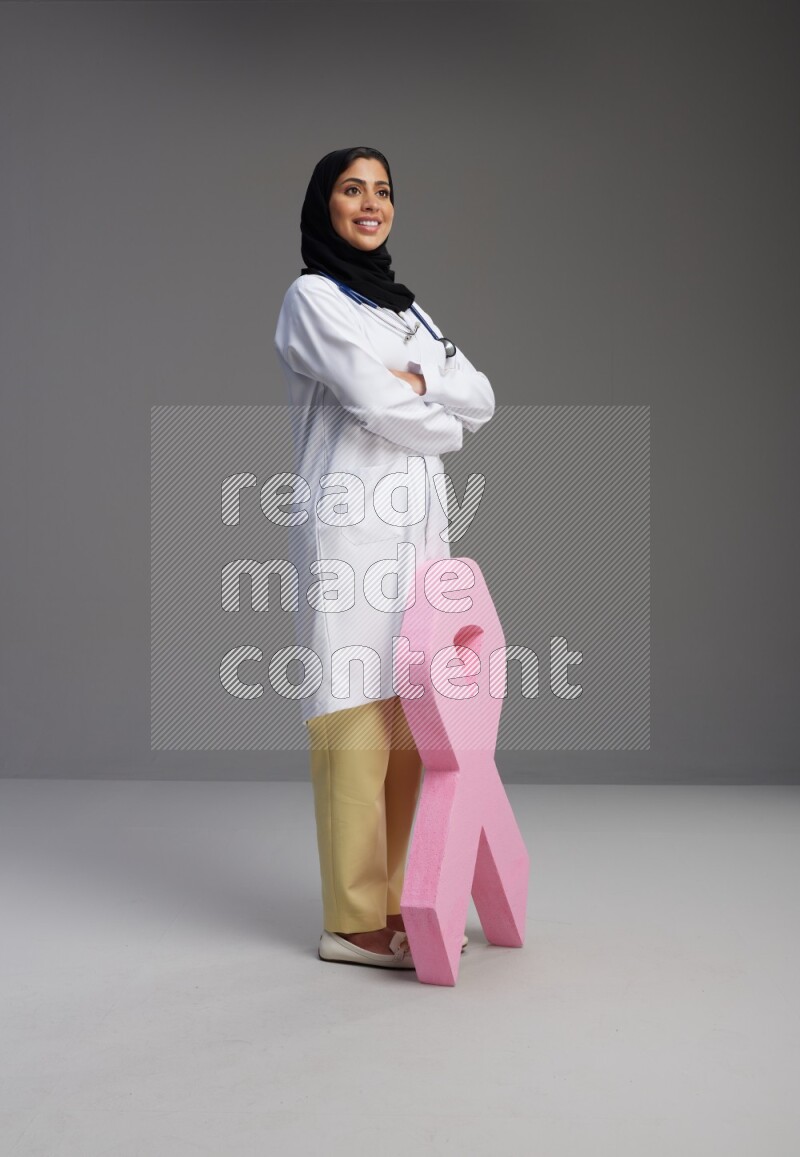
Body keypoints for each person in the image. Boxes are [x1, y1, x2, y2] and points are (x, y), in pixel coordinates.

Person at [273, 146, 495, 969]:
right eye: (351, 189)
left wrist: (419, 384)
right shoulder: (312, 299)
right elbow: (372, 399)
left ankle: (404, 901)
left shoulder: (408, 311)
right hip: (349, 530)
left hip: (419, 533)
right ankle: (352, 919)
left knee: (410, 715)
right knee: (351, 715)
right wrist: (439, 416)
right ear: (324, 205)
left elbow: (483, 396)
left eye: (382, 191)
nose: (370, 203)